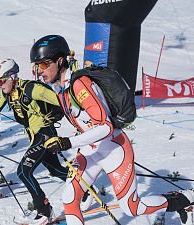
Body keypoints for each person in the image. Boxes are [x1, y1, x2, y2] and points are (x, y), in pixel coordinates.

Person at [30, 34, 194, 225]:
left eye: (43, 64)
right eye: (36, 66)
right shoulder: (61, 90)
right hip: (90, 150)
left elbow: (105, 127)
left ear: (59, 61)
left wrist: (67, 142)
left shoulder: (79, 84)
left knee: (132, 207)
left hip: (113, 149)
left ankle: (184, 200)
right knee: (69, 199)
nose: (39, 71)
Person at [0, 58, 70, 224]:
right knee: (56, 170)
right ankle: (85, 191)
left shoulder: (31, 88)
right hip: (35, 137)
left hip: (45, 134)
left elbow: (62, 100)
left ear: (11, 77)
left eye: (0, 81)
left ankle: (44, 211)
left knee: (23, 172)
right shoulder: (9, 93)